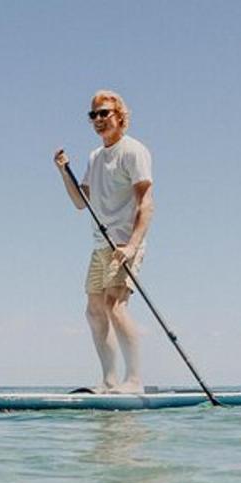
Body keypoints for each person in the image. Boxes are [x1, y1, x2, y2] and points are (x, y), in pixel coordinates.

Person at [53, 89, 154, 393]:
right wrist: (62, 172)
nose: (98, 119)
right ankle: (109, 381)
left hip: (125, 244)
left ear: (120, 116)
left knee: (115, 305)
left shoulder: (133, 151)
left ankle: (134, 380)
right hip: (101, 245)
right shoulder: (95, 157)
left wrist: (132, 245)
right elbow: (80, 202)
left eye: (104, 113)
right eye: (93, 115)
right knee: (94, 309)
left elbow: (146, 203)